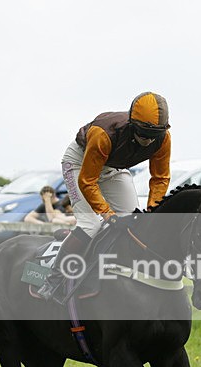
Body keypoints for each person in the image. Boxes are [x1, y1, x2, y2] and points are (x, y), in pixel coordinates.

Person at [37, 92, 172, 301]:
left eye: (153, 135)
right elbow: (87, 181)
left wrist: (153, 210)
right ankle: (54, 278)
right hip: (79, 163)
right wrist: (107, 214)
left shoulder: (163, 139)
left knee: (133, 220)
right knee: (90, 224)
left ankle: (117, 271)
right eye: (143, 134)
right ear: (132, 125)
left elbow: (160, 178)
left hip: (113, 167)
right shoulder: (103, 134)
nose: (148, 141)